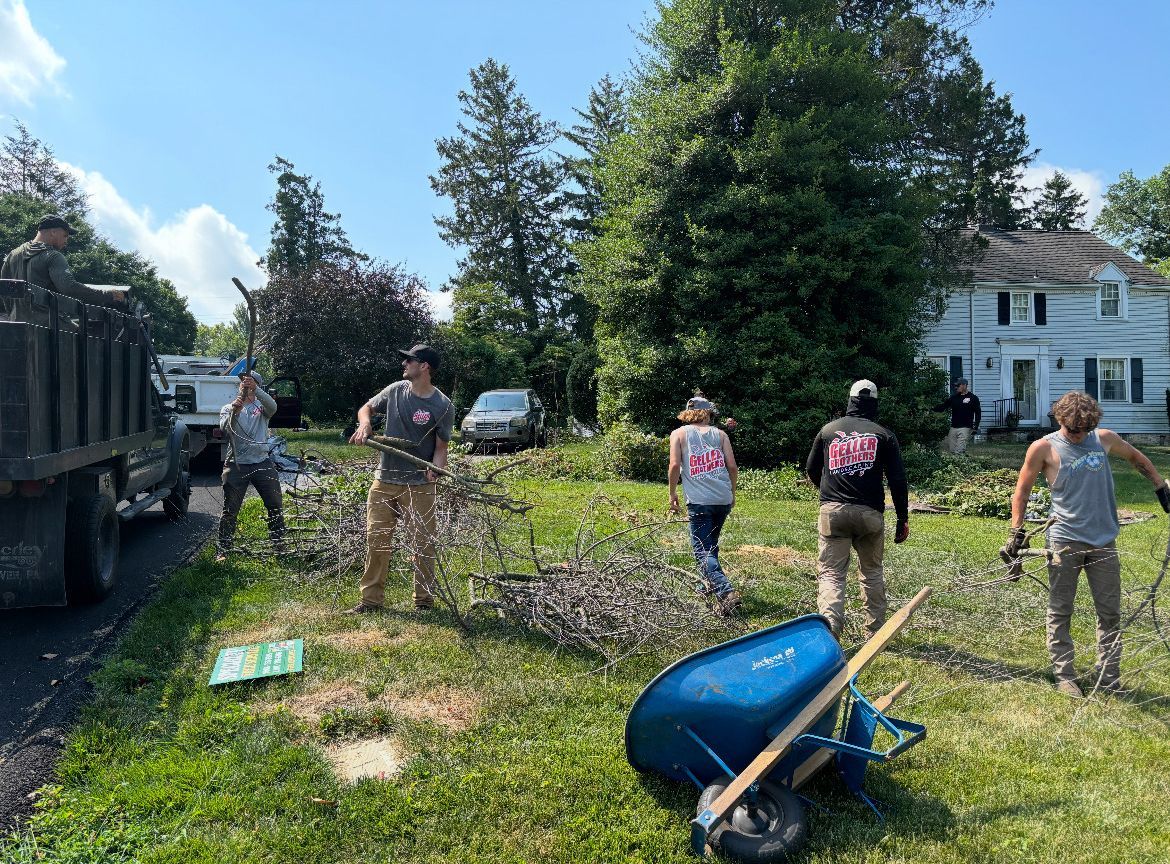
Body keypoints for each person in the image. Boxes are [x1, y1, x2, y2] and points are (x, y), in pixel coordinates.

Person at [1006, 390, 1170, 697]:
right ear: (1059, 420)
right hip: (1064, 541)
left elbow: (1137, 458)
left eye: (1085, 430)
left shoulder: (1104, 438)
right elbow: (1022, 492)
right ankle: (1065, 674)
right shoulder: (1044, 447)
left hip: (1104, 540)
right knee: (1061, 609)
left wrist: (1160, 487)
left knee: (1109, 612)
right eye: (1073, 430)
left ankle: (1108, 677)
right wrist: (1017, 531)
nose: (1079, 436)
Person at [347, 344, 453, 613]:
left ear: (424, 366)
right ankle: (371, 602)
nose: (404, 364)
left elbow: (441, 450)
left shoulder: (442, 405)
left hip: (419, 485)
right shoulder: (395, 391)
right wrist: (365, 423)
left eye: (409, 360)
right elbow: (366, 408)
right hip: (384, 481)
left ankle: (424, 602)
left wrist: (436, 470)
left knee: (423, 544)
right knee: (376, 540)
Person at [806, 380, 910, 640]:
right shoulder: (884, 434)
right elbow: (898, 480)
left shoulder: (829, 431)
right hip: (869, 514)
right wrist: (902, 518)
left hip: (833, 512)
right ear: (874, 403)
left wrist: (827, 493)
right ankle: (875, 633)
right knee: (872, 572)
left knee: (831, 574)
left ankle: (830, 630)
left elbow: (811, 468)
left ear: (850, 400)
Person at [668, 393, 741, 614]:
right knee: (711, 545)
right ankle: (706, 584)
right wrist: (732, 491)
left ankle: (726, 591)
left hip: (699, 501)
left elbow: (674, 466)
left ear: (688, 413)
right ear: (707, 413)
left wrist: (672, 493)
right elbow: (732, 467)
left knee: (702, 550)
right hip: (722, 498)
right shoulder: (720, 435)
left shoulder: (678, 434)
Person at [215, 372, 285, 561]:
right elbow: (224, 429)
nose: (244, 385)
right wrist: (235, 411)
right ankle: (223, 550)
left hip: (262, 463)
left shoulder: (262, 408)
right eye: (243, 383)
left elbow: (274, 406)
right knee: (230, 510)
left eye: (249, 382)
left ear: (256, 386)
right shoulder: (228, 408)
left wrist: (257, 390)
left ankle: (279, 544)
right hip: (236, 465)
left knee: (275, 504)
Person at [1, 215, 127, 310]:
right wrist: (108, 295)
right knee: (93, 335)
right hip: (48, 326)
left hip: (15, 325)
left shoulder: (13, 255)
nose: (66, 240)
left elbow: (4, 291)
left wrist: (12, 314)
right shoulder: (53, 256)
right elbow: (69, 288)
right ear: (53, 232)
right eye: (65, 235)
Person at [934, 378, 981, 455]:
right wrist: (931, 409)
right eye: (955, 386)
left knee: (959, 451)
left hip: (965, 427)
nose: (956, 387)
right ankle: (961, 464)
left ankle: (961, 463)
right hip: (953, 427)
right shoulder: (954, 398)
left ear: (964, 385)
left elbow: (978, 413)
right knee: (952, 451)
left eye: (958, 385)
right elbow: (943, 406)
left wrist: (976, 426)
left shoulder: (973, 398)